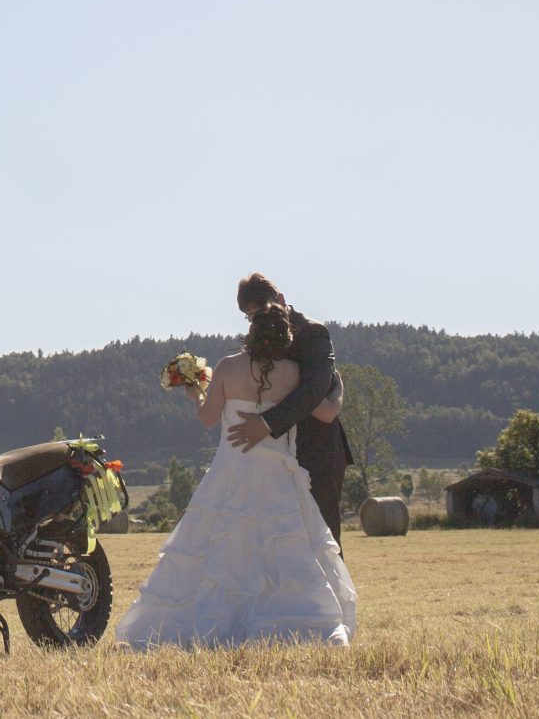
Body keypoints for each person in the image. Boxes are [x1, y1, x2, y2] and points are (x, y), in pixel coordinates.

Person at [112, 289, 359, 649]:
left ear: (250, 332)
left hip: (231, 473)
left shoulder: (227, 368)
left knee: (218, 546)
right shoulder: (293, 373)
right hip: (277, 477)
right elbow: (325, 412)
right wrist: (338, 391)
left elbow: (208, 418)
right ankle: (289, 621)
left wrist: (195, 393)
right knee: (285, 549)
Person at [225, 272, 355, 543]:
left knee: (323, 539)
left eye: (260, 312)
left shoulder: (313, 333)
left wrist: (266, 424)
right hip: (275, 453)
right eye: (250, 317)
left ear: (281, 299)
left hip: (317, 450)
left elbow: (312, 390)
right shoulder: (259, 338)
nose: (256, 321)